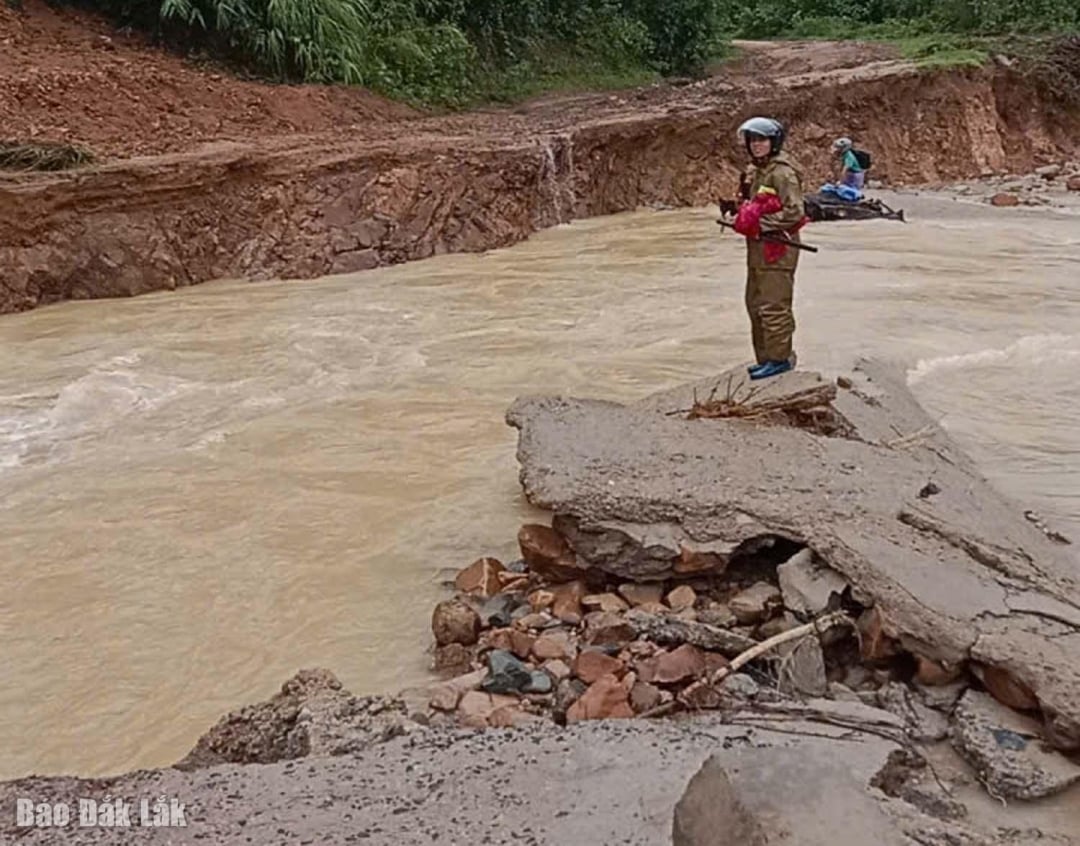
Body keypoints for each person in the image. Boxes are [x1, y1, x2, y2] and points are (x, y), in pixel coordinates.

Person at [732, 116, 807, 380]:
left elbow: (795, 212)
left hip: (778, 247)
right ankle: (765, 358)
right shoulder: (758, 171)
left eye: (762, 140)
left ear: (773, 142)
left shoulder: (782, 173)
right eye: (752, 141)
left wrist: (759, 223)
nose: (756, 145)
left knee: (774, 306)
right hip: (758, 248)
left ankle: (779, 359)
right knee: (755, 303)